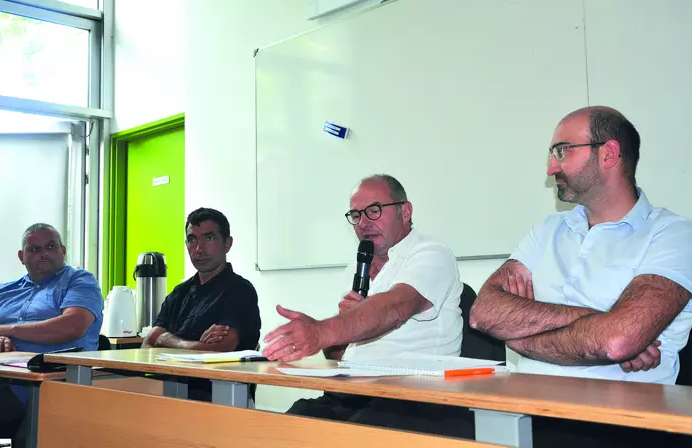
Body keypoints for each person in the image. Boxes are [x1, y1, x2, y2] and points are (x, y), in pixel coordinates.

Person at [470, 106, 692, 447]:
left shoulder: (673, 235)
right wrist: (599, 322)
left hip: (623, 431)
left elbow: (617, 341)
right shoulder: (547, 230)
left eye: (562, 151)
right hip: (524, 420)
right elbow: (483, 312)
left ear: (609, 154)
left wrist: (521, 338)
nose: (550, 167)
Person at [262, 174, 470, 437]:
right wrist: (333, 337)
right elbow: (337, 357)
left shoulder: (431, 252)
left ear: (404, 211)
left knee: (352, 436)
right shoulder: (357, 266)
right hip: (353, 392)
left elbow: (396, 307)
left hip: (414, 397)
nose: (363, 223)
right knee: (286, 429)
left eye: (374, 211)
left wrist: (322, 331)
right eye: (356, 215)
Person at [0, 223, 104, 448]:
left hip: (52, 388)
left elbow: (72, 326)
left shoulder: (79, 281)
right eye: (34, 249)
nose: (43, 253)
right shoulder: (3, 291)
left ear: (63, 250)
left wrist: (4, 329)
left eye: (50, 246)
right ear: (22, 256)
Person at [142, 207, 261, 400]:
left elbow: (219, 352)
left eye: (209, 238)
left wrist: (168, 340)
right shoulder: (179, 293)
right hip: (169, 393)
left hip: (220, 397)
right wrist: (197, 346)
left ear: (227, 244)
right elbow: (147, 346)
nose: (199, 248)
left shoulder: (240, 291)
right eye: (192, 239)